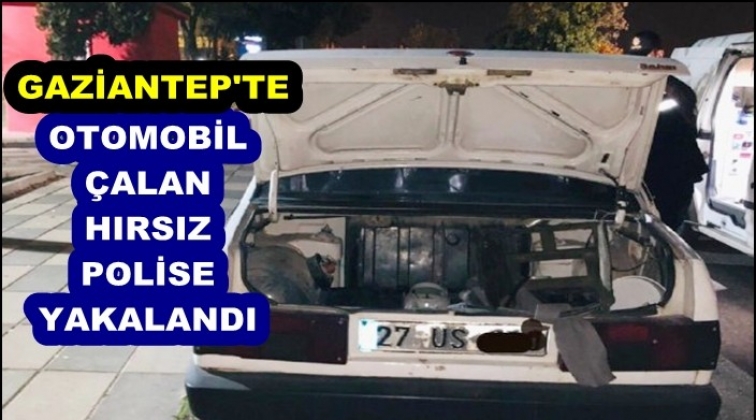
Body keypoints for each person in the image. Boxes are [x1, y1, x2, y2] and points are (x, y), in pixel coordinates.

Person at [626, 31, 710, 232]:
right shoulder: (632, 87)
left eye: (645, 55)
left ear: (659, 54)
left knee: (666, 230)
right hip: (645, 174)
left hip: (671, 175)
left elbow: (680, 133)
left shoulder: (676, 91)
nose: (639, 62)